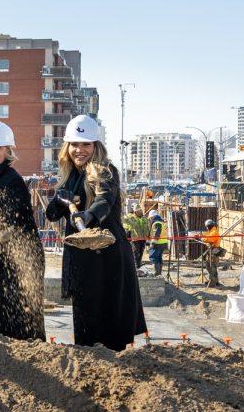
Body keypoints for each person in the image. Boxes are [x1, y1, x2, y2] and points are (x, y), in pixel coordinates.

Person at [45, 114, 146, 351]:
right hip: (82, 260)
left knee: (109, 327)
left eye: (86, 144)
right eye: (75, 144)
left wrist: (87, 215)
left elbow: (105, 200)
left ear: (96, 146)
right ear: (67, 146)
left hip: (107, 258)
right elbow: (51, 214)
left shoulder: (106, 171)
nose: (79, 150)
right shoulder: (70, 176)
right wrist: (60, 202)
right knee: (85, 326)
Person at [0, 120, 45, 341]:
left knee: (23, 318)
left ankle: (32, 364)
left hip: (23, 256)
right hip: (4, 254)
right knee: (5, 315)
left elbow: (8, 228)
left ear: (8, 150)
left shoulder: (10, 180)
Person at [123, 203, 149, 269]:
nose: (139, 211)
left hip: (143, 238)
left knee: (141, 253)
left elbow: (147, 226)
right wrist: (128, 233)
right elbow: (126, 226)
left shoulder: (144, 217)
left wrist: (148, 236)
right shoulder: (129, 217)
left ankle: (138, 265)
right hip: (135, 238)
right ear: (134, 210)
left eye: (140, 210)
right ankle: (135, 267)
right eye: (137, 210)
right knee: (136, 253)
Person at [202, 219, 224, 287]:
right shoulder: (212, 231)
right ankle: (215, 281)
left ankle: (213, 282)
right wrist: (201, 235)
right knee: (211, 266)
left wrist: (201, 238)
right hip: (212, 251)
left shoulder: (214, 232)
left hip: (214, 251)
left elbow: (208, 239)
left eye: (207, 227)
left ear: (209, 226)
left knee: (211, 267)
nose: (206, 228)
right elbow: (207, 236)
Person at [147, 210, 168, 276]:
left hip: (158, 243)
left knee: (153, 257)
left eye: (150, 218)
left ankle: (157, 274)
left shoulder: (157, 223)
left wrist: (152, 243)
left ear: (152, 217)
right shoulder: (160, 221)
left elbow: (156, 233)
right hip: (163, 243)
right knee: (159, 258)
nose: (150, 220)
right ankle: (159, 274)